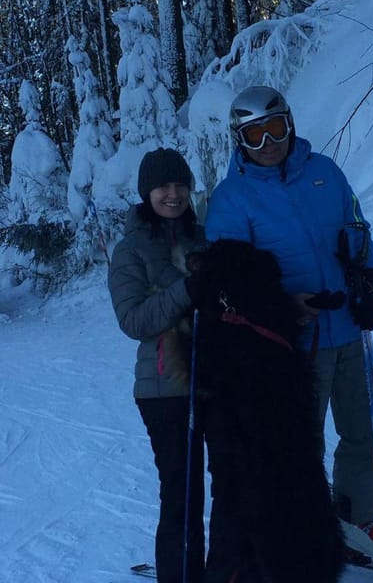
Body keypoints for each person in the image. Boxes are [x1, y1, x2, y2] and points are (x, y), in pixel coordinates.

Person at [205, 85, 373, 562]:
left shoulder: (325, 173)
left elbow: (356, 228)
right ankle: (296, 532)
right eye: (254, 135)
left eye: (275, 128)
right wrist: (285, 305)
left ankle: (352, 522)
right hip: (287, 346)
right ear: (239, 141)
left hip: (348, 330)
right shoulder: (232, 199)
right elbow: (230, 279)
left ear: (290, 124)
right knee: (297, 446)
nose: (268, 142)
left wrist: (368, 283)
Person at [108, 148, 206, 583]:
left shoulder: (201, 238)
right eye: (163, 187)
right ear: (147, 192)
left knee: (214, 488)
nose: (172, 195)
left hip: (212, 380)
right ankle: (178, 573)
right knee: (182, 493)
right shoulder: (130, 250)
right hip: (164, 387)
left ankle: (210, 569)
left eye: (179, 185)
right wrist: (189, 290)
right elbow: (133, 320)